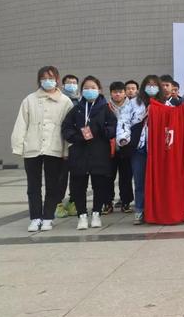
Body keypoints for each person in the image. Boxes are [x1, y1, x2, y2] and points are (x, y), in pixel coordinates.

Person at [11, 66, 73, 232]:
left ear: (57, 80)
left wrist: (66, 150)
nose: (47, 81)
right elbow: (21, 123)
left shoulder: (65, 101)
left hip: (55, 147)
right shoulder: (29, 100)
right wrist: (18, 146)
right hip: (33, 147)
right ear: (39, 80)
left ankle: (48, 217)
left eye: (51, 78)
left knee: (53, 185)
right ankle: (35, 217)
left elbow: (68, 128)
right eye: (44, 78)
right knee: (33, 186)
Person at [62, 76, 117, 230]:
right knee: (78, 185)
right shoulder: (77, 109)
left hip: (99, 151)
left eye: (93, 87)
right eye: (86, 88)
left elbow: (113, 126)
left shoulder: (105, 108)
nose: (89, 90)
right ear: (82, 91)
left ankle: (96, 213)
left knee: (99, 184)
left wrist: (103, 131)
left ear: (99, 90)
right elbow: (66, 127)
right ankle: (82, 215)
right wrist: (77, 136)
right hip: (79, 152)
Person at [117, 75, 165, 224]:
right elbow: (123, 121)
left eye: (154, 85)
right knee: (139, 180)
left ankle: (157, 210)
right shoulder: (133, 103)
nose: (151, 87)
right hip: (139, 147)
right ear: (143, 87)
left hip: (158, 148)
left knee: (158, 181)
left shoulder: (165, 103)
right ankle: (139, 209)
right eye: (148, 85)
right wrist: (123, 138)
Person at [55, 73, 82, 218]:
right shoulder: (59, 100)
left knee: (77, 176)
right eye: (69, 82)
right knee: (61, 176)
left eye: (74, 82)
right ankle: (57, 203)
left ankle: (73, 202)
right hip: (62, 143)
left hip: (77, 144)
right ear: (63, 85)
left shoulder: (81, 100)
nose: (72, 85)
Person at [107, 81, 133, 213]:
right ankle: (107, 203)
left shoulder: (132, 106)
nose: (118, 94)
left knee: (126, 177)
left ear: (125, 93)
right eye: (115, 92)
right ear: (111, 93)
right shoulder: (106, 107)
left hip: (126, 147)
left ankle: (126, 202)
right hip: (109, 148)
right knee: (108, 176)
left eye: (120, 92)